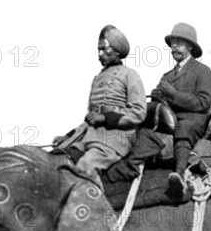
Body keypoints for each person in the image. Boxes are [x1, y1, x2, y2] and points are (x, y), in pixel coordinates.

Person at [54, 25, 147, 185]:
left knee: (86, 166)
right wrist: (69, 136)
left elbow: (139, 112)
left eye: (104, 49)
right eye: (98, 50)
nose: (99, 54)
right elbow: (91, 117)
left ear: (117, 51)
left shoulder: (129, 74)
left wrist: (105, 117)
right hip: (90, 135)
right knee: (57, 159)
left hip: (116, 137)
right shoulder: (97, 79)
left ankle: (93, 208)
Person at [151, 23, 211, 198]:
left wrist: (174, 94)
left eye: (180, 42)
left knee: (183, 126)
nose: (174, 46)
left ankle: (179, 174)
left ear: (191, 46)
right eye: (172, 43)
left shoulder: (203, 71)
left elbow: (204, 102)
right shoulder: (167, 76)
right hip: (171, 122)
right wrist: (159, 98)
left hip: (193, 122)